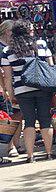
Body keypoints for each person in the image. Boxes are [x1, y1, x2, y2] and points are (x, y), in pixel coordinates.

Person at [1, 20, 56, 162]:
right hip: (43, 88)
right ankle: (49, 153)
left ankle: (30, 156)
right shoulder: (41, 45)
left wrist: (10, 94)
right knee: (45, 120)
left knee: (29, 122)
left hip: (22, 90)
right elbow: (51, 67)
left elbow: (7, 77)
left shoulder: (8, 51)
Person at [0, 19, 22, 160]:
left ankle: (16, 143)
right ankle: (10, 146)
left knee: (18, 114)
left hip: (15, 84)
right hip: (4, 85)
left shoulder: (13, 46)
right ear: (7, 32)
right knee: (8, 115)